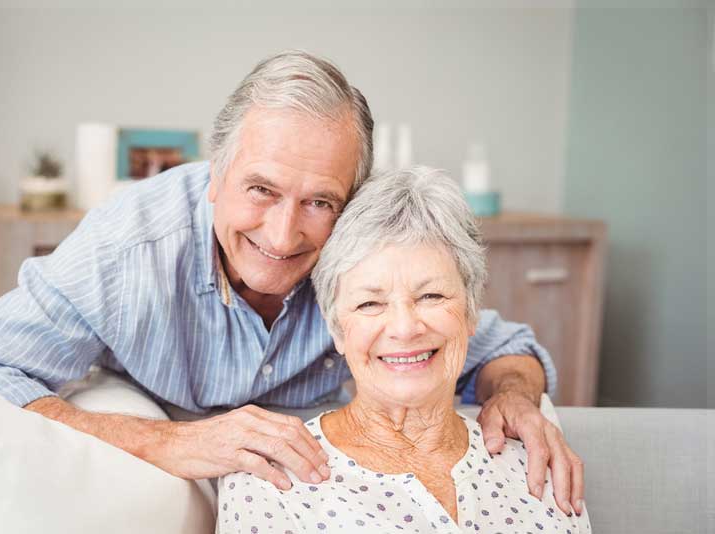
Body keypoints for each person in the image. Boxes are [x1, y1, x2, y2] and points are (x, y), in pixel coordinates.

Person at [0, 50, 583, 514]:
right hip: (155, 435)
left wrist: (517, 396)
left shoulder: (359, 252)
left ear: (351, 200)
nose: (281, 236)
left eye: (319, 202)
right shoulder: (128, 248)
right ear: (214, 175)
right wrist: (165, 441)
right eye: (260, 190)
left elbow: (496, 345)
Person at [219, 166, 589, 532]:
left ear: (471, 311)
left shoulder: (534, 457)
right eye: (370, 304)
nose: (405, 328)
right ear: (337, 330)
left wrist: (516, 393)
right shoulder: (267, 484)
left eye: (431, 295)